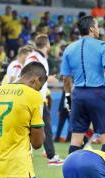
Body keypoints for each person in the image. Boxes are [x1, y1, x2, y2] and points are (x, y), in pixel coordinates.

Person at [61, 16, 105, 155]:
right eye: (97, 26)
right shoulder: (102, 46)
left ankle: (71, 173)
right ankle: (104, 174)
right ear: (92, 29)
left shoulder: (69, 49)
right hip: (97, 93)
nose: (99, 29)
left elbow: (65, 79)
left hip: (78, 94)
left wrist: (69, 97)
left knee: (76, 139)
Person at [25, 34, 63, 165]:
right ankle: (51, 157)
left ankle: (46, 155)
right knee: (43, 127)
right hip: (34, 98)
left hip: (35, 98)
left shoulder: (38, 57)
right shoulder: (36, 58)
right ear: (47, 45)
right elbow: (30, 77)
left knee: (39, 127)